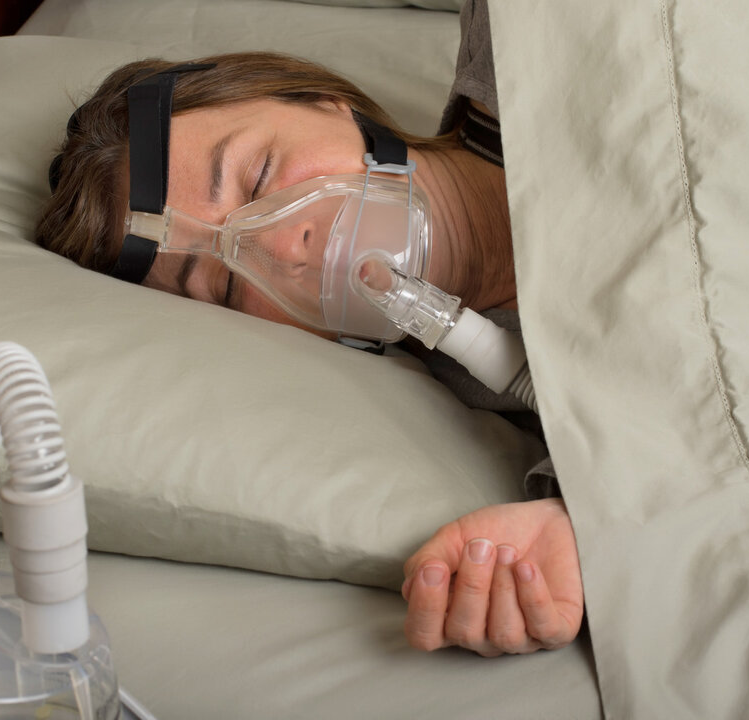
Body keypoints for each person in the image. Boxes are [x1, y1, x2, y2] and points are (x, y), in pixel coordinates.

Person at [35, 4, 583, 658]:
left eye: (258, 175)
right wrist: (587, 525)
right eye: (228, 284)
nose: (280, 247)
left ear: (325, 102)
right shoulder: (516, 402)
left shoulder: (527, 35)